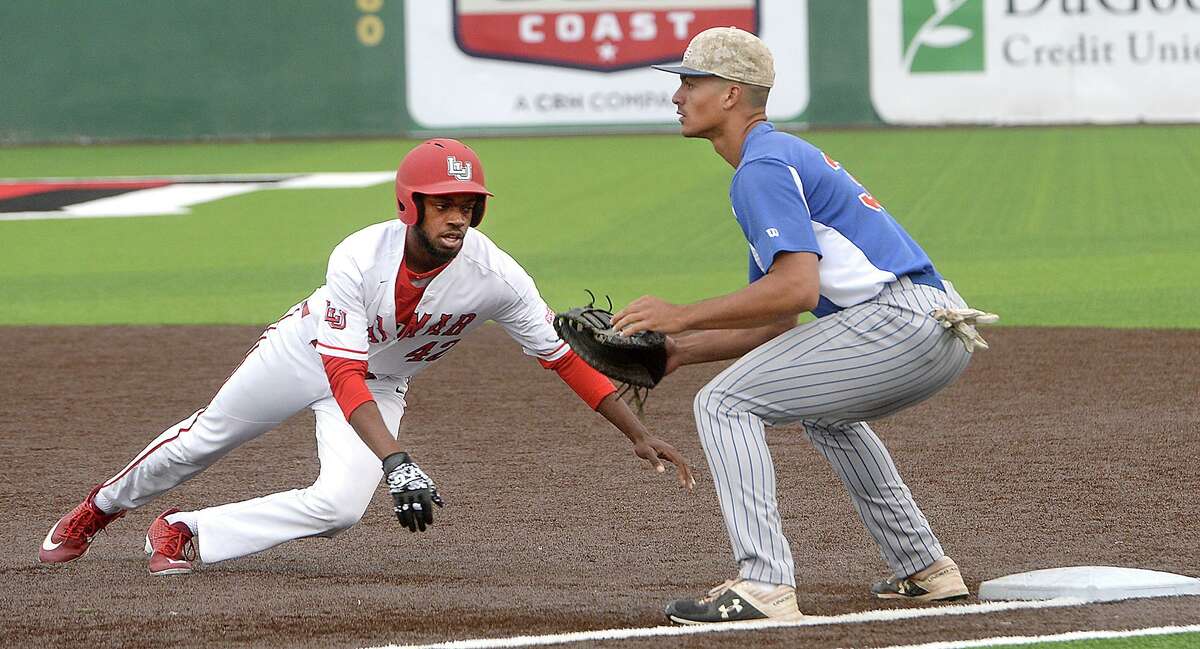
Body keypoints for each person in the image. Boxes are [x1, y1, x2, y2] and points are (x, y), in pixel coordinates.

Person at [39, 138, 694, 575]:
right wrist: (398, 459)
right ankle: (100, 507)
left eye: (468, 204)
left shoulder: (497, 277)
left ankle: (186, 532)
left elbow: (561, 358)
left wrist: (637, 432)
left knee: (340, 508)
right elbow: (340, 369)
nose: (458, 216)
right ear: (411, 204)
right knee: (201, 441)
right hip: (308, 352)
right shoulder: (359, 256)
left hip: (382, 383)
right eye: (444, 202)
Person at [612, 27, 995, 624]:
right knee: (824, 411)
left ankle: (764, 585)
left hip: (894, 323)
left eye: (690, 81)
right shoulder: (779, 156)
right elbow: (777, 317)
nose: (678, 95)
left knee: (723, 405)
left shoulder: (762, 168)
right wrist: (677, 351)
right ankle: (926, 568)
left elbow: (795, 289)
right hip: (935, 325)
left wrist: (679, 314)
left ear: (733, 93)